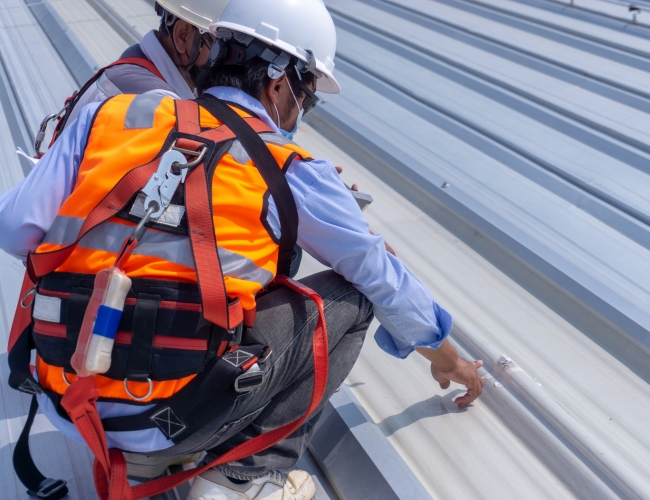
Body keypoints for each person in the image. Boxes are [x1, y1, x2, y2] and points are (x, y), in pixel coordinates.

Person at [0, 0, 484, 499]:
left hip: (69, 402)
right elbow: (380, 275)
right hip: (171, 419)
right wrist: (448, 356)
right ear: (279, 84)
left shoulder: (111, 115)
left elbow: (16, 231)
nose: (304, 110)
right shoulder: (289, 167)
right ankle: (244, 479)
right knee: (352, 296)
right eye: (309, 95)